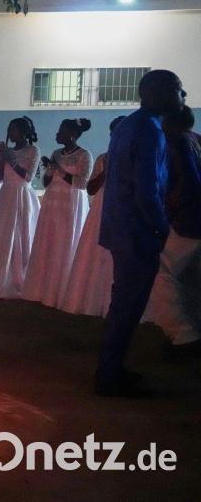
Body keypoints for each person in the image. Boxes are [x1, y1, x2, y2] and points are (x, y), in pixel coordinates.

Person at [97, 70, 185, 397]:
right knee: (127, 306)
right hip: (136, 232)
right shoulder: (149, 131)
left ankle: (112, 369)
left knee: (124, 304)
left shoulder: (128, 125)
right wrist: (163, 229)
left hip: (122, 228)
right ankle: (109, 376)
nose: (183, 95)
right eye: (178, 90)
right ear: (157, 93)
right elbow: (147, 191)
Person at [143, 106, 201, 353]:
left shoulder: (176, 140)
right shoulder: (196, 139)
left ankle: (183, 335)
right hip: (193, 220)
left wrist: (170, 212)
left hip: (187, 221)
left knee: (160, 272)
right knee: (187, 276)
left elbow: (187, 181)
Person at [22, 119, 93, 308]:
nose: (56, 134)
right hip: (52, 200)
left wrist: (59, 170)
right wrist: (49, 170)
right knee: (49, 241)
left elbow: (81, 183)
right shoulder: (56, 153)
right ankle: (42, 289)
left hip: (70, 203)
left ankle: (62, 292)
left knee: (64, 241)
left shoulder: (84, 155)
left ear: (71, 134)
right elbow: (46, 182)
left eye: (61, 131)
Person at [60, 117, 125, 316]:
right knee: (96, 253)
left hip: (124, 209)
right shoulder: (103, 158)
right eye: (114, 133)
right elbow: (90, 188)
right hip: (102, 208)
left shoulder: (138, 156)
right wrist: (106, 171)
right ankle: (93, 300)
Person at [0, 117, 41, 299]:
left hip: (22, 195)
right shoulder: (7, 151)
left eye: (15, 129)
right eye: (10, 129)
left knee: (21, 235)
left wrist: (11, 159)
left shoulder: (33, 150)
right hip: (6, 194)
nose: (11, 133)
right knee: (2, 234)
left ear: (24, 132)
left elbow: (28, 177)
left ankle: (21, 279)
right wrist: (2, 158)